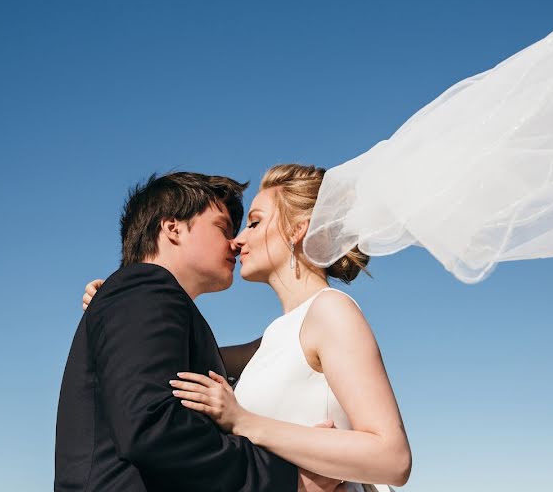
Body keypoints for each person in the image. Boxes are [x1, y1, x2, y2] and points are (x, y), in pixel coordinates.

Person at [83, 165, 412, 491]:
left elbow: (392, 458)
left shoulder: (331, 310)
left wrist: (245, 422)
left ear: (298, 230)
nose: (238, 241)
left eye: (254, 223)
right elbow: (174, 360)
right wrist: (113, 310)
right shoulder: (268, 341)